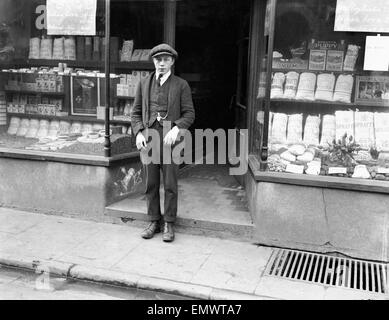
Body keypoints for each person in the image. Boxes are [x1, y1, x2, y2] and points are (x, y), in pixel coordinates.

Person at [131, 43, 195, 242]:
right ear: (153, 61)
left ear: (172, 62)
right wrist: (139, 132)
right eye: (158, 60)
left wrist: (176, 128)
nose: (162, 63)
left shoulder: (181, 84)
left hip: (170, 140)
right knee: (150, 183)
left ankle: (169, 223)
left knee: (169, 184)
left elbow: (190, 113)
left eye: (166, 60)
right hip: (149, 138)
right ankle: (153, 221)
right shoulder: (144, 83)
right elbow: (135, 113)